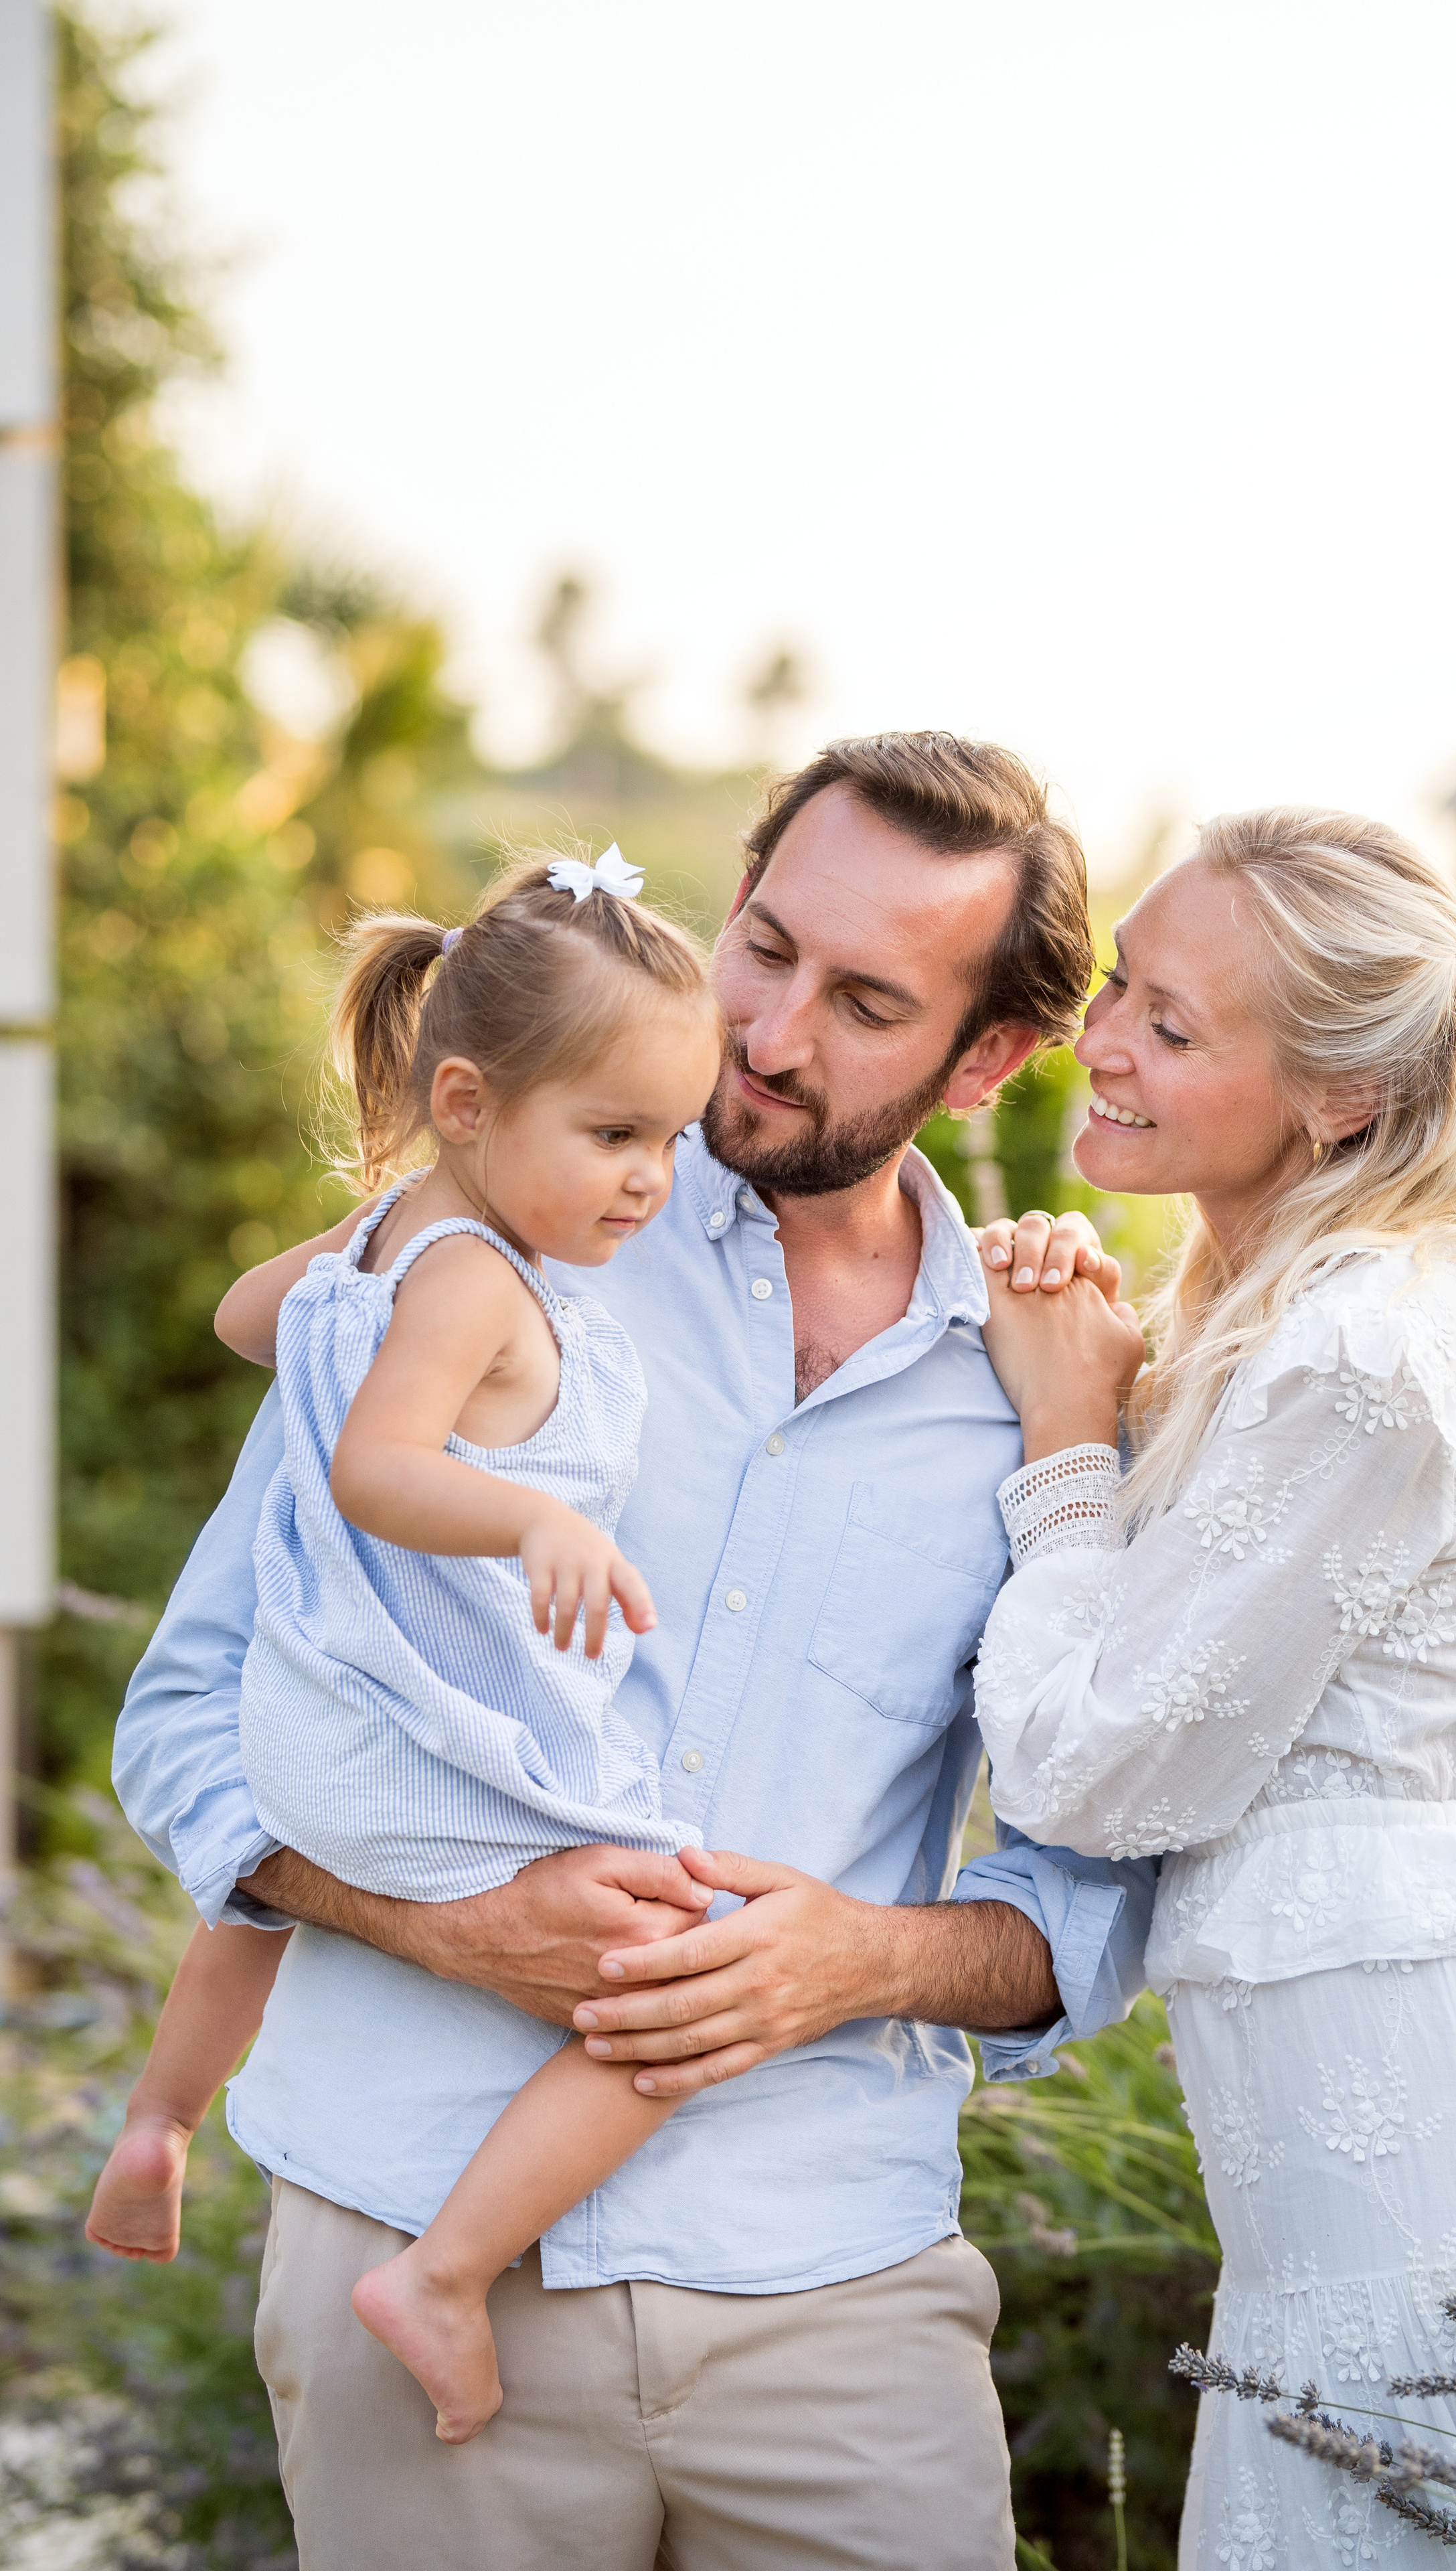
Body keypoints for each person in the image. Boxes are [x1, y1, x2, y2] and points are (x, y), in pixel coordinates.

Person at [112, 732, 1156, 2571]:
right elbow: (193, 1714)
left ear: (985, 1057)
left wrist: (860, 1959)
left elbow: (1098, 1892)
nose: (767, 1032)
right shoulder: (486, 1253)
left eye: (864, 1000)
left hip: (835, 2287)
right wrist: (436, 1921)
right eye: (762, 944)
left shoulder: (1049, 1384)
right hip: (403, 2237)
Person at [971, 805, 1456, 2568]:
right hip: (1332, 2164)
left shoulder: (1368, 1347)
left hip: (1416, 2152)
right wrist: (1120, 1382)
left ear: (1342, 1101)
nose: (1108, 1041)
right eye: (1122, 987)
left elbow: (1096, 1772)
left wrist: (1068, 1451)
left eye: (1173, 1022)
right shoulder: (1296, 1310)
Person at [90, 847, 726, 2444]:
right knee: (674, 1985)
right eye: (612, 1135)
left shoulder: (385, 1241)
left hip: (303, 1735)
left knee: (262, 1905)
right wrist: (535, 1522)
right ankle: (442, 2275)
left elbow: (249, 1322)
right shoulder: (468, 1280)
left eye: (668, 1139)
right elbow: (380, 1468)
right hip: (416, 1729)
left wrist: (350, 1264)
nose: (648, 1180)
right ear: (462, 1101)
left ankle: (161, 2122)